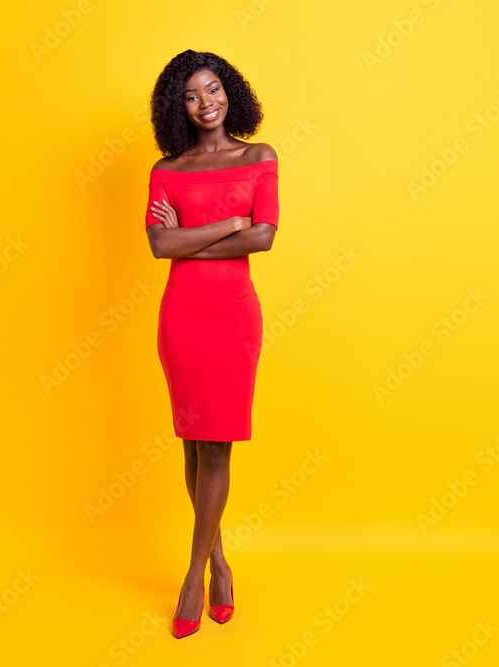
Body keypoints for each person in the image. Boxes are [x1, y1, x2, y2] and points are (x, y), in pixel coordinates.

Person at [143, 49, 280, 639]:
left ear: (231, 92)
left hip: (231, 316)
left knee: (218, 446)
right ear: (179, 107)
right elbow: (159, 248)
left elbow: (265, 236)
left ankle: (194, 573)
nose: (206, 103)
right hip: (181, 318)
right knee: (193, 446)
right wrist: (229, 225)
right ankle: (221, 560)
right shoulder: (165, 170)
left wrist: (193, 233)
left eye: (214, 89)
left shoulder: (259, 157)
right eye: (193, 96)